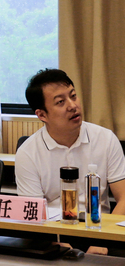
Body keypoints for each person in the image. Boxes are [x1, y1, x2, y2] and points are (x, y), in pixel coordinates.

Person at [16, 68, 125, 255]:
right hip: (53, 234)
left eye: (73, 96)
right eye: (60, 102)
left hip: (100, 228)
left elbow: (124, 197)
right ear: (42, 115)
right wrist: (61, 246)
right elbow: (34, 214)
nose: (73, 106)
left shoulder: (106, 139)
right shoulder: (27, 153)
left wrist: (103, 240)